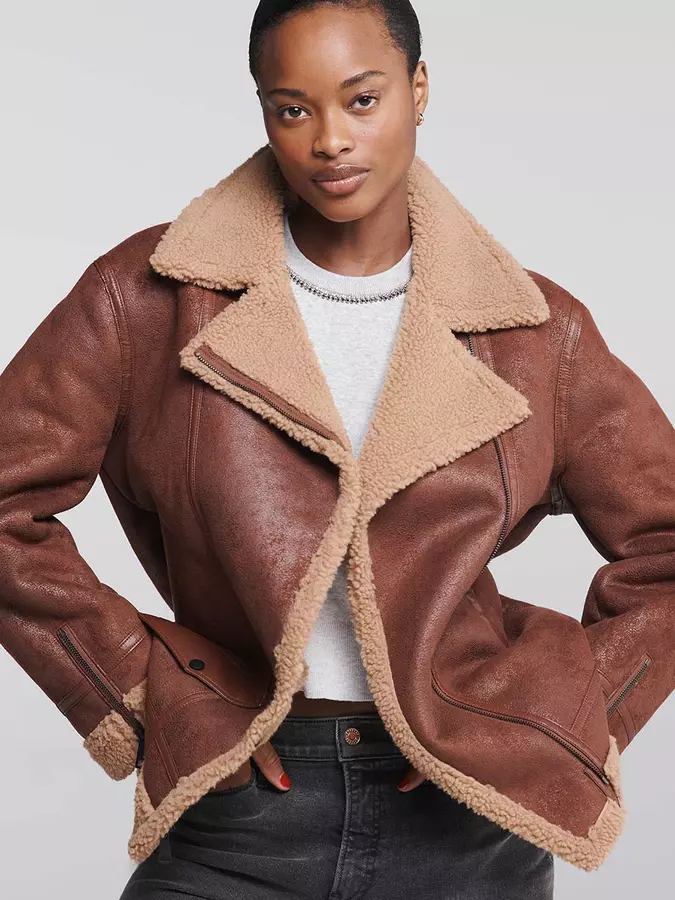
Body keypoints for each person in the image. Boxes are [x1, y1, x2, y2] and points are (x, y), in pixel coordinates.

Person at [0, 1, 673, 898]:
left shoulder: (535, 332)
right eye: (292, 108)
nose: (328, 139)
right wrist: (138, 691)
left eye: (361, 99)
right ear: (262, 110)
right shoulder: (149, 296)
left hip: (468, 824)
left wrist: (558, 720)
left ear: (418, 89)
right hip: (235, 813)